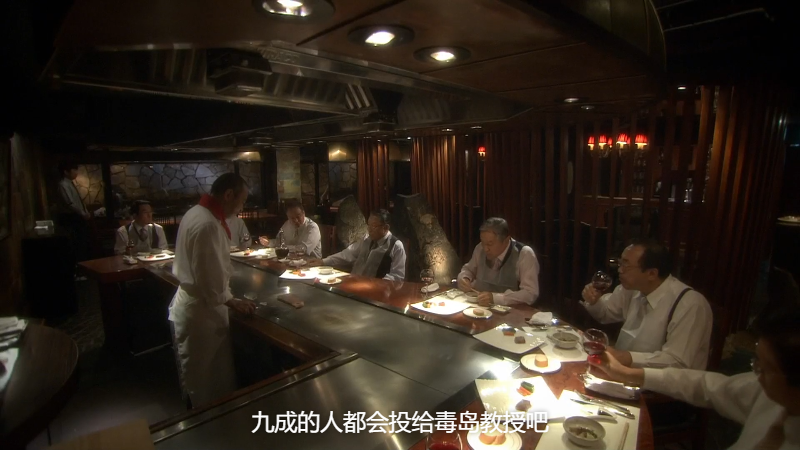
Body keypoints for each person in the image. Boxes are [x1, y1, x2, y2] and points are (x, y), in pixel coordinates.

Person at [589, 307, 800, 450]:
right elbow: (705, 386)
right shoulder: (765, 392)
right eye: (756, 362)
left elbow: (678, 361)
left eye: (765, 368)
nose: (756, 373)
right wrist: (627, 374)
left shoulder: (690, 305)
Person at [168, 173, 256, 407]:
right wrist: (233, 301)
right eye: (242, 201)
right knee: (208, 384)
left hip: (194, 305)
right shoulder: (208, 224)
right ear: (228, 195)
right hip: (202, 312)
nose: (242, 207)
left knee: (200, 378)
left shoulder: (196, 212)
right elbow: (210, 280)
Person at [581, 238, 713, 369]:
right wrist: (594, 301)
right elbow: (606, 313)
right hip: (622, 371)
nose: (620, 270)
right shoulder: (632, 289)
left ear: (651, 274)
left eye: (626, 265)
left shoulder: (690, 304)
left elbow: (677, 361)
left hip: (658, 381)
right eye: (619, 263)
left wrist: (624, 357)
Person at [457, 217, 540, 307]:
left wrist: (495, 298)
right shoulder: (480, 248)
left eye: (490, 244)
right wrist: (465, 278)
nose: (485, 248)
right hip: (479, 306)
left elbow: (530, 293)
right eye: (483, 242)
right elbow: (468, 269)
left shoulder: (524, 254)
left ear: (506, 240)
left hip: (509, 311)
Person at [307, 209, 405, 281]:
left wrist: (375, 284)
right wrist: (323, 261)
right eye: (369, 225)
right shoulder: (366, 239)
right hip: (355, 283)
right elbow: (348, 254)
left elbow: (397, 276)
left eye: (374, 226)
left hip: (376, 291)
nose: (369, 229)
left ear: (386, 228)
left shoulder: (396, 246)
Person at [56, 162, 91, 262]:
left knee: (83, 243)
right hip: (71, 218)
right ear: (66, 172)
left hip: (78, 217)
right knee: (76, 244)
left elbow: (78, 201)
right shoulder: (63, 185)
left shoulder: (70, 183)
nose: (76, 172)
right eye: (74, 170)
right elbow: (70, 203)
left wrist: (85, 211)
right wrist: (83, 213)